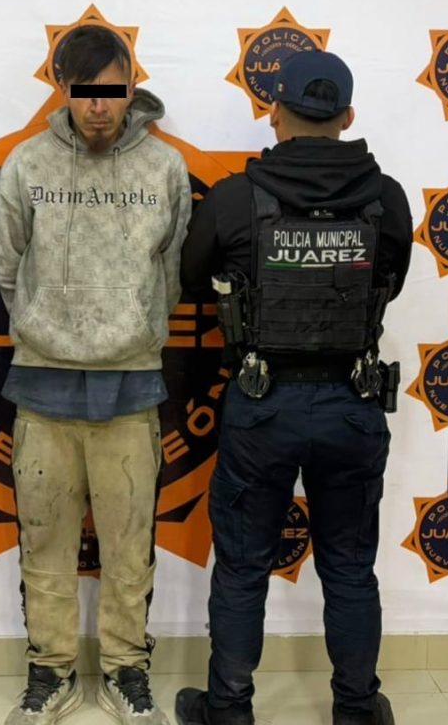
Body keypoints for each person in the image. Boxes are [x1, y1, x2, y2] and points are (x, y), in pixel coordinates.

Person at [175, 50, 412, 725]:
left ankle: (229, 709)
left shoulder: (234, 199)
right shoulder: (387, 199)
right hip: (352, 405)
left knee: (242, 566)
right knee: (349, 566)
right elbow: (391, 283)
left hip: (262, 405)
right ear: (347, 117)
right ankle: (356, 709)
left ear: (274, 111)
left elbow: (192, 281)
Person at [0, 26, 192, 725]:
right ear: (62, 90)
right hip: (41, 385)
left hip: (131, 385)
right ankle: (49, 672)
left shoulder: (164, 167)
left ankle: (127, 671)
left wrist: (136, 326)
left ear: (131, 89)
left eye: (111, 91)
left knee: (129, 546)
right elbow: (5, 262)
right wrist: (40, 321)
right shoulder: (26, 163)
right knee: (43, 543)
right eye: (83, 92)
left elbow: (171, 270)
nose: (97, 106)